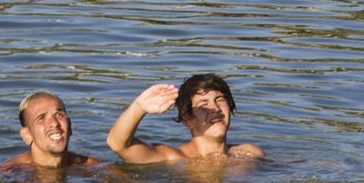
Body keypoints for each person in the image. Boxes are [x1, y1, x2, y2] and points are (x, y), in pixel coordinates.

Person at [106, 74, 264, 163]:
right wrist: (139, 107)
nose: (215, 109)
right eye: (203, 104)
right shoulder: (172, 159)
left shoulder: (250, 154)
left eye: (220, 99)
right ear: (187, 119)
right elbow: (117, 144)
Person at [0, 91, 103, 172]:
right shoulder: (10, 172)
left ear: (70, 127)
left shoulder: (91, 166)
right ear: (27, 135)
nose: (54, 123)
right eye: (41, 118)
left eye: (59, 115)